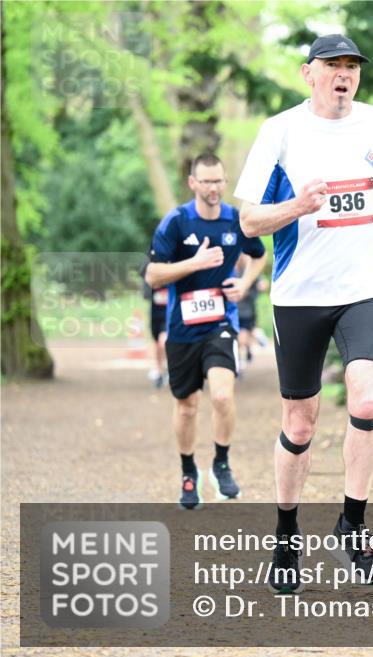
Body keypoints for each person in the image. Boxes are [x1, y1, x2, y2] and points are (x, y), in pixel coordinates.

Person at [234, 33, 373, 593]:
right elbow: (248, 223)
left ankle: (352, 526)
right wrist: (297, 206)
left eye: (352, 67)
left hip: (363, 285)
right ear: (308, 73)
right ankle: (286, 534)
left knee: (365, 399)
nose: (344, 75)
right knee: (300, 422)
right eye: (332, 65)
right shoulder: (280, 131)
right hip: (299, 294)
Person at [145, 153, 268, 509]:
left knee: (223, 397)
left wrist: (244, 283)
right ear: (193, 183)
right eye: (207, 181)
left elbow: (259, 254)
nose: (214, 188)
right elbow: (153, 275)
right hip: (182, 327)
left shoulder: (235, 220)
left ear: (225, 182)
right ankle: (188, 472)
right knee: (186, 406)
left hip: (220, 323)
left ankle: (222, 464)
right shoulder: (177, 222)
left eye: (219, 181)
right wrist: (194, 263)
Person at [140, 258, 169, 388]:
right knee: (158, 343)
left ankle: (170, 368)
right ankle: (159, 371)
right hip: (155, 313)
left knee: (164, 341)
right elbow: (145, 294)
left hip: (170, 313)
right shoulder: (150, 262)